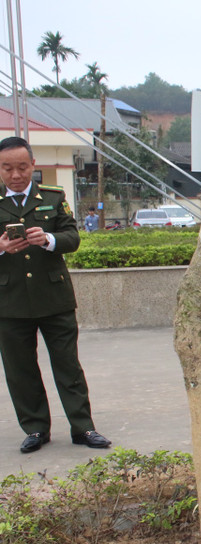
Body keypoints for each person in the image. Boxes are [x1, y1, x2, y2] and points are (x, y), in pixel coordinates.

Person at [0, 136, 112, 453]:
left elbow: (72, 237)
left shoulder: (52, 196)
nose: (16, 175)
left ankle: (83, 427)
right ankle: (35, 429)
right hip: (10, 304)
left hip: (55, 300)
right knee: (20, 370)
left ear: (33, 165)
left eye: (22, 167)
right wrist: (2, 246)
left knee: (68, 366)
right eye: (7, 168)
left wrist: (47, 238)